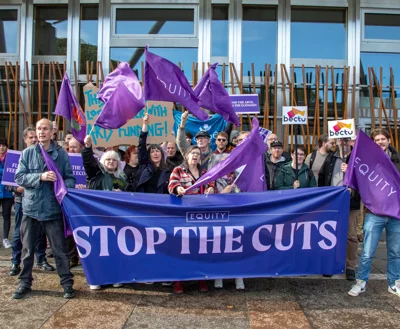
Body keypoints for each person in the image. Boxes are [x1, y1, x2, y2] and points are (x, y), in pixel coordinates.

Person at [13, 118, 76, 299]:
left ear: (52, 133)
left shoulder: (61, 154)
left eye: (45, 129)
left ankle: (67, 283)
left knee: (60, 251)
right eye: (39, 129)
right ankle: (24, 282)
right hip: (31, 208)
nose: (41, 132)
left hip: (52, 209)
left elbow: (70, 178)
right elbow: (19, 177)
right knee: (27, 250)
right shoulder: (27, 153)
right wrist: (40, 176)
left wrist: (61, 182)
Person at [348, 128, 400, 298]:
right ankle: (361, 282)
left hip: (396, 216)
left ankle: (394, 283)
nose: (380, 142)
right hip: (374, 214)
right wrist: (347, 171)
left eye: (383, 139)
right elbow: (357, 178)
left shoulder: (398, 161)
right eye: (376, 140)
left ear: (389, 141)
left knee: (395, 253)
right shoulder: (367, 161)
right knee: (367, 252)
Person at [168, 145, 215, 294]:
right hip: (183, 216)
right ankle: (178, 280)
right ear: (186, 156)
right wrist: (178, 189)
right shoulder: (178, 170)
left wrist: (211, 188)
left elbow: (212, 183)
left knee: (201, 248)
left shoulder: (204, 172)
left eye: (198, 154)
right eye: (192, 153)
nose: (195, 156)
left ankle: (202, 279)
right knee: (180, 248)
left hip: (201, 216)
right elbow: (172, 184)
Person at [7, 127, 54, 276]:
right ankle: (16, 262)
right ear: (25, 139)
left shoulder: (43, 155)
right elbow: (9, 182)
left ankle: (41, 259)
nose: (34, 139)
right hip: (22, 202)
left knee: (40, 234)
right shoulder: (16, 156)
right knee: (19, 234)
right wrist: (17, 189)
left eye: (35, 137)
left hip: (40, 202)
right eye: (31, 137)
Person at [82, 134, 127, 289]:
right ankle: (97, 278)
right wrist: (87, 148)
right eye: (108, 159)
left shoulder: (122, 178)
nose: (111, 162)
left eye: (114, 160)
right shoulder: (95, 173)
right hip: (96, 216)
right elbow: (88, 161)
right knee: (96, 248)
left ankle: (115, 276)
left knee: (114, 247)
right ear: (102, 161)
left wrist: (123, 194)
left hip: (115, 218)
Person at [318, 138, 361, 281]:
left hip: (351, 202)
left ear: (350, 142)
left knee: (351, 236)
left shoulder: (357, 158)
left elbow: (363, 180)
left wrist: (350, 171)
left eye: (346, 141)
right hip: (333, 203)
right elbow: (322, 177)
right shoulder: (331, 157)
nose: (343, 143)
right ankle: (331, 264)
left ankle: (350, 266)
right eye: (340, 141)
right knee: (331, 234)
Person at [135, 114, 172, 194]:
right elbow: (141, 145)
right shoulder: (144, 166)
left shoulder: (168, 171)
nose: (155, 154)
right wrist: (145, 124)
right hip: (146, 203)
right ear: (149, 155)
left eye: (157, 151)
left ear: (162, 154)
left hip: (162, 203)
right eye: (152, 151)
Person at [0, 138, 14, 249]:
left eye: (4, 145)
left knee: (6, 215)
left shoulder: (11, 158)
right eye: (0, 145)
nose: (1, 147)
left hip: (8, 192)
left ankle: (5, 238)